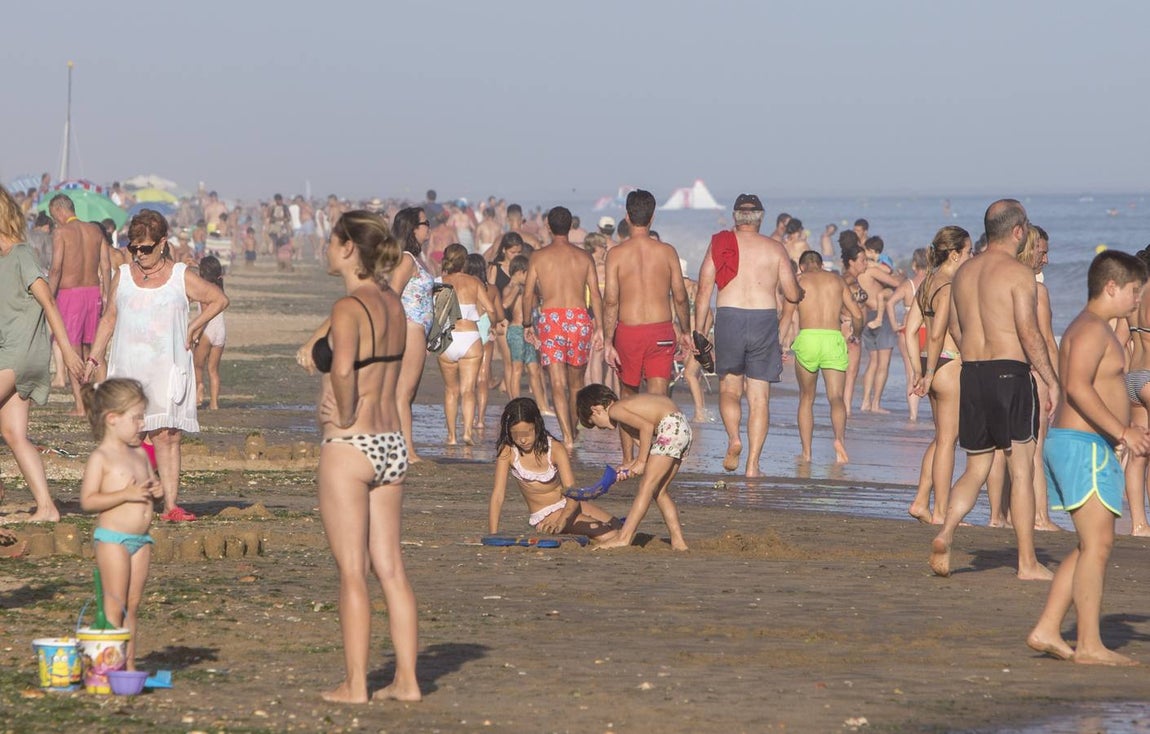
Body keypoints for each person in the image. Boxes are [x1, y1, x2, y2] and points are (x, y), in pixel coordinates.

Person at [303, 210, 420, 703]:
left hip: (352, 446)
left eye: (332, 240)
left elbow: (345, 372)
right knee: (391, 569)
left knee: (353, 571)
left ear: (349, 247)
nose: (327, 249)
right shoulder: (392, 301)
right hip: (392, 444)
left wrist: (343, 412)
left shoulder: (350, 306)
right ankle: (408, 682)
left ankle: (356, 684)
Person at [1027, 250, 1150, 666]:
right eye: (1134, 290)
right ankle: (1091, 644)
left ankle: (1047, 628)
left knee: (1088, 545)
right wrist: (1122, 431)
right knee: (1098, 545)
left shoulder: (1092, 328)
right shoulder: (1092, 330)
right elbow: (1077, 388)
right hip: (1082, 448)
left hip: (1087, 446)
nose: (1138, 299)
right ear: (1111, 286)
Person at [928, 199, 1059, 580]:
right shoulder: (1018, 274)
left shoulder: (964, 272)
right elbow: (1028, 332)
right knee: (1020, 469)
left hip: (972, 372)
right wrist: (1051, 380)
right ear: (1018, 231)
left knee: (977, 466)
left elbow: (955, 326)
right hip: (1009, 374)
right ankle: (1027, 562)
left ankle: (946, 531)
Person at [86, 209, 229, 523]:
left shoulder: (181, 276)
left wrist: (195, 326)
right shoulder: (122, 276)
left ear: (163, 243)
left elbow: (218, 299)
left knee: (167, 436)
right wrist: (94, 357)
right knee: (128, 434)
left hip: (167, 369)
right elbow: (108, 319)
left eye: (146, 248)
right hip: (128, 370)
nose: (139, 255)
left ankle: (171, 506)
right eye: (134, 248)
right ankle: (126, 497)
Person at [693, 194, 803, 477]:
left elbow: (704, 291)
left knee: (729, 389)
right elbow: (792, 294)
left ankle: (734, 439)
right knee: (759, 398)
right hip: (763, 319)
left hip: (729, 316)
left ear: (735, 217)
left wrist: (699, 331)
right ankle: (753, 466)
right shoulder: (774, 248)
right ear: (761, 218)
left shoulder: (720, 245)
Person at [0, 186, 85, 523]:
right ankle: (47, 507)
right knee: (14, 435)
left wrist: (66, 351)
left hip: (17, 356)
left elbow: (48, 301)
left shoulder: (21, 255)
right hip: (15, 355)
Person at [78, 378, 162, 669]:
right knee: (114, 606)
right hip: (113, 540)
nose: (142, 424)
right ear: (112, 419)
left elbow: (148, 489)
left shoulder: (140, 453)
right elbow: (88, 501)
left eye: (143, 416)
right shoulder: (101, 457)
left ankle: (129, 667)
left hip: (142, 540)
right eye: (136, 417)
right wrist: (124, 494)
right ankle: (106, 667)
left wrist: (157, 492)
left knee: (133, 606)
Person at [523, 206, 605, 450]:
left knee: (557, 382)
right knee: (576, 383)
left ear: (548, 226)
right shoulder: (584, 257)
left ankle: (567, 437)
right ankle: (573, 431)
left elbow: (527, 294)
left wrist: (527, 323)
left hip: (551, 320)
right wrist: (600, 327)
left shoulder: (538, 257)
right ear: (571, 227)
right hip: (579, 318)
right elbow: (596, 295)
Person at [906, 227, 971, 524]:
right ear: (955, 254)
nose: (970, 257)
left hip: (929, 363)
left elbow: (909, 332)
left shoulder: (927, 282)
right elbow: (937, 335)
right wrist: (929, 373)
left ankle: (922, 501)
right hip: (946, 363)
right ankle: (942, 513)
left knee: (941, 437)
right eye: (968, 252)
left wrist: (916, 370)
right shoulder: (947, 286)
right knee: (948, 440)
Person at [603, 190, 692, 399]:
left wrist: (608, 340)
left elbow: (610, 301)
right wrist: (686, 331)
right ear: (652, 217)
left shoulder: (615, 255)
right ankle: (655, 432)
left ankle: (635, 432)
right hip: (660, 330)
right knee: (659, 397)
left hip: (629, 331)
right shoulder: (667, 252)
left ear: (627, 216)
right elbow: (680, 296)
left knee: (628, 396)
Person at [576, 383, 689, 550]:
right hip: (681, 428)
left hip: (670, 427)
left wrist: (642, 462)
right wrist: (631, 465)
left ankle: (624, 537)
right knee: (659, 491)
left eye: (594, 422)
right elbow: (648, 446)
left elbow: (647, 427)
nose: (600, 428)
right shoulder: (627, 412)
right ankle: (679, 542)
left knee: (646, 486)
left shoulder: (616, 409)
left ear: (596, 409)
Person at [488, 397, 618, 539]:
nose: (523, 440)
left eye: (527, 433)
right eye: (516, 435)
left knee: (619, 528)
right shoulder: (508, 451)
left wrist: (562, 520)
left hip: (570, 505)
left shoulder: (555, 449)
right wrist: (492, 534)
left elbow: (572, 492)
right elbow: (498, 495)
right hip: (546, 515)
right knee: (608, 534)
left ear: (537, 426)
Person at [781, 251, 862, 463]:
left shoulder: (798, 281)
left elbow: (786, 318)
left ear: (801, 267)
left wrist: (779, 345)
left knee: (806, 398)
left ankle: (807, 453)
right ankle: (839, 442)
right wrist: (857, 334)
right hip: (833, 338)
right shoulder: (837, 280)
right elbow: (858, 314)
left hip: (808, 338)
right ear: (820, 264)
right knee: (836, 397)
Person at [48, 193, 109, 417]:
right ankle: (99, 401)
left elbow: (55, 268)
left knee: (72, 351)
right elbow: (105, 264)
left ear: (59, 210)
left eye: (55, 216)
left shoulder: (61, 232)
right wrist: (108, 294)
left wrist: (49, 296)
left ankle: (81, 406)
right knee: (93, 349)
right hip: (93, 291)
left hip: (69, 293)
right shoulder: (95, 230)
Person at [387, 208, 434, 463]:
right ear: (413, 228)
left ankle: (399, 446)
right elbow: (393, 294)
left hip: (419, 329)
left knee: (407, 393)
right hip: (410, 326)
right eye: (426, 223)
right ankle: (407, 450)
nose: (430, 227)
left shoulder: (417, 258)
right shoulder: (406, 259)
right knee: (404, 392)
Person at [437, 244, 494, 446]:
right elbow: (491, 308)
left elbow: (432, 314)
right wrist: (493, 323)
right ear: (465, 261)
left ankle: (452, 437)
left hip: (447, 339)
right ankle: (467, 433)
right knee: (468, 390)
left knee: (451, 390)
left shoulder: (438, 282)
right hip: (470, 337)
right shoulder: (474, 282)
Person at [856, 241, 902, 414]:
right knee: (883, 364)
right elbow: (896, 283)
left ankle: (865, 401)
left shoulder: (856, 274)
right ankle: (875, 404)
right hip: (880, 317)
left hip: (867, 315)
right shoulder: (871, 270)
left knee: (872, 362)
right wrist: (899, 277)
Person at [503, 255, 552, 412]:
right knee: (517, 368)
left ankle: (543, 406)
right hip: (516, 330)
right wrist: (517, 288)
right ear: (519, 272)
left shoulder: (531, 289)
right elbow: (505, 304)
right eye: (527, 274)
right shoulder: (510, 288)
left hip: (530, 331)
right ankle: (515, 404)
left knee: (534, 369)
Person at [886, 248, 929, 422]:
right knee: (931, 371)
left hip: (907, 331)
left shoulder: (908, 285)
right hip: (928, 330)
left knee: (910, 373)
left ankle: (913, 415)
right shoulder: (933, 283)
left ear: (913, 264)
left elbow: (890, 303)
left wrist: (895, 325)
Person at [1124, 246, 1150, 536]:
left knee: (1139, 454)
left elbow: (1119, 340)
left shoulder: (1132, 298)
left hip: (1133, 378)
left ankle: (1138, 523)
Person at [466, 253, 504, 429]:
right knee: (483, 377)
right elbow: (499, 314)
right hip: (485, 328)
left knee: (467, 377)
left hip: (468, 328)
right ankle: (480, 419)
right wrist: (494, 324)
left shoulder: (464, 286)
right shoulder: (493, 289)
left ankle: (468, 416)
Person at [193, 256, 227, 410]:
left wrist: (196, 332)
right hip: (220, 331)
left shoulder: (204, 290)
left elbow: (205, 314)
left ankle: (199, 390)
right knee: (213, 370)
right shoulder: (219, 287)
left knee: (197, 366)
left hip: (207, 330)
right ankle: (214, 404)